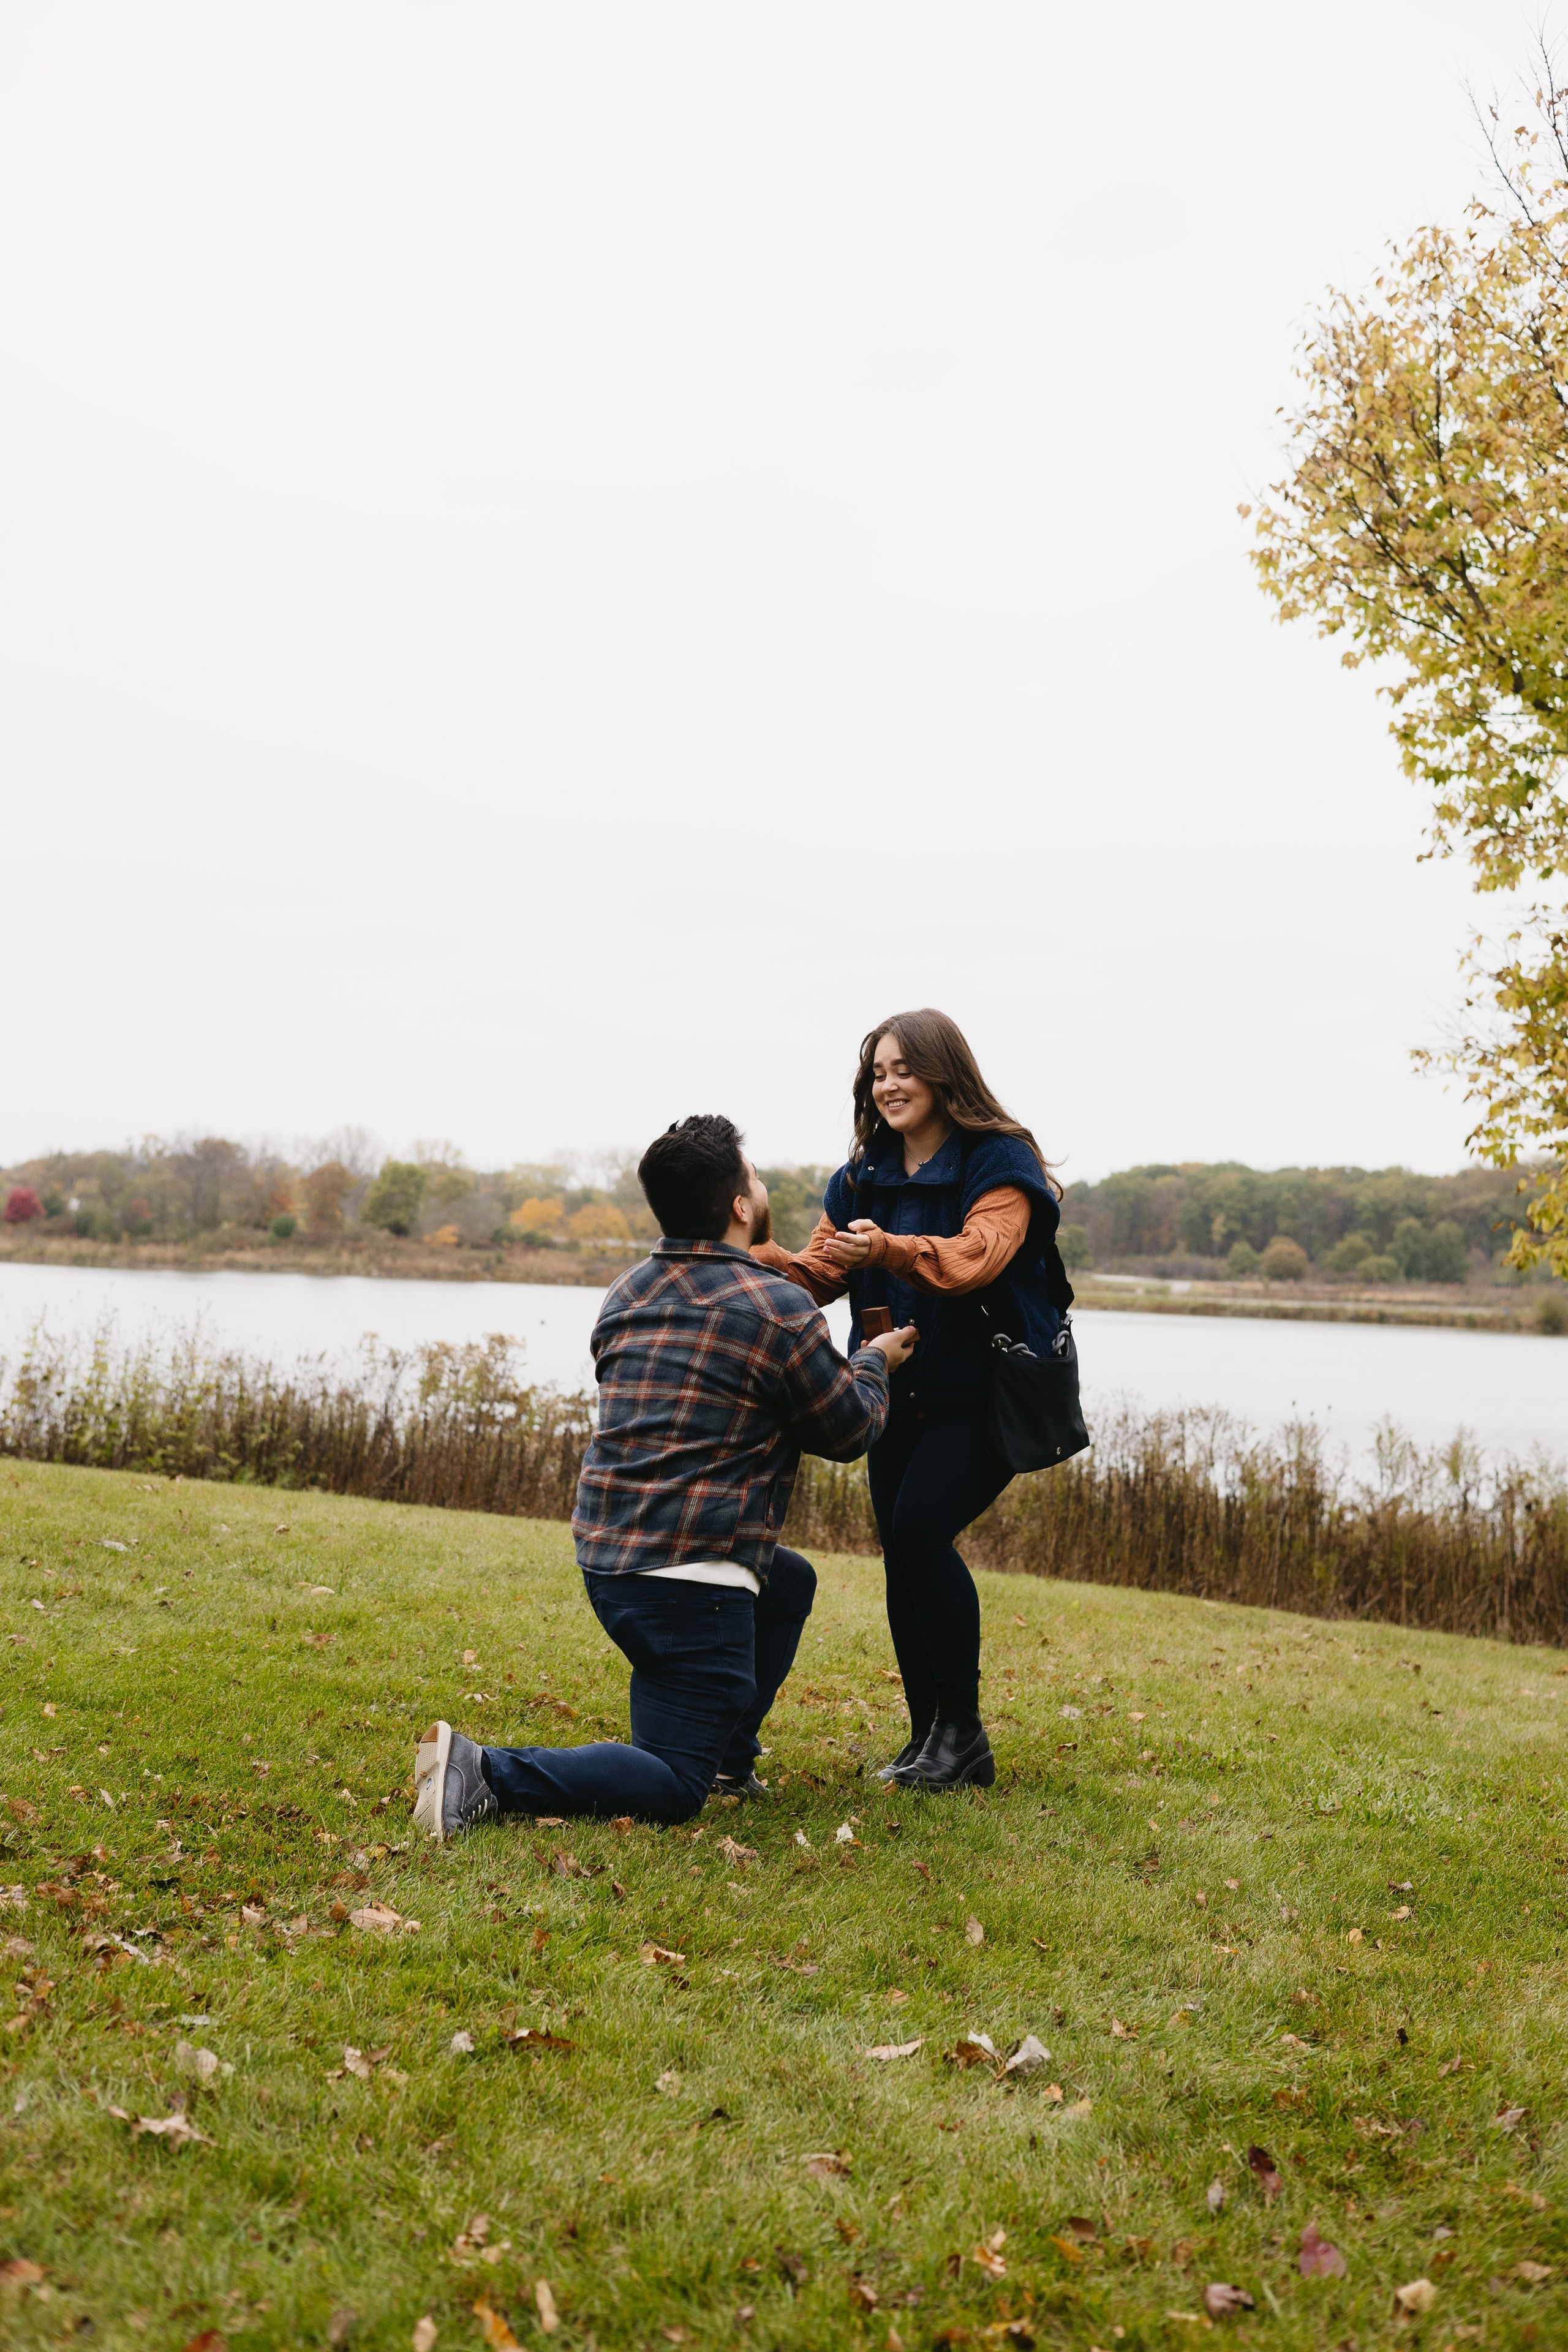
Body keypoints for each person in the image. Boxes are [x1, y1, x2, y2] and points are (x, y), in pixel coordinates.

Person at [413, 1114, 916, 1840]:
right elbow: (847, 1432)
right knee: (672, 1785)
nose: (761, 1185)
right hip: (690, 1580)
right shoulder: (779, 1307)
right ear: (742, 1206)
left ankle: (726, 1759)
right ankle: (486, 1770)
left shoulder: (627, 1292)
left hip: (612, 1558)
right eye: (755, 1176)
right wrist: (873, 1360)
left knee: (789, 1581)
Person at [753, 1009, 1070, 1791]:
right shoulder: (865, 1172)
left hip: (984, 1394)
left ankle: (963, 1734)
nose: (887, 1084)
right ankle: (929, 1736)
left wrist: (888, 1249)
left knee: (922, 1530)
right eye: (878, 1072)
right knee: (902, 1550)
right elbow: (818, 1277)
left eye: (903, 1069)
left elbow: (976, 1259)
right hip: (894, 1392)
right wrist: (735, 1250)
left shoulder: (999, 1160)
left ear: (942, 1073)